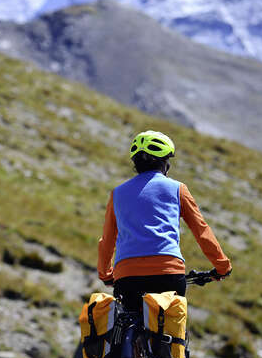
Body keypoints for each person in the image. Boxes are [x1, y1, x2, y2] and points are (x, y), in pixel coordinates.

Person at [97, 130, 232, 310]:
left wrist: (106, 274)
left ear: (135, 164)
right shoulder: (177, 189)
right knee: (169, 331)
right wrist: (222, 266)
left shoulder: (117, 194)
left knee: (125, 322)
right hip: (168, 272)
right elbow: (201, 231)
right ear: (165, 163)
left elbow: (107, 240)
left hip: (127, 274)